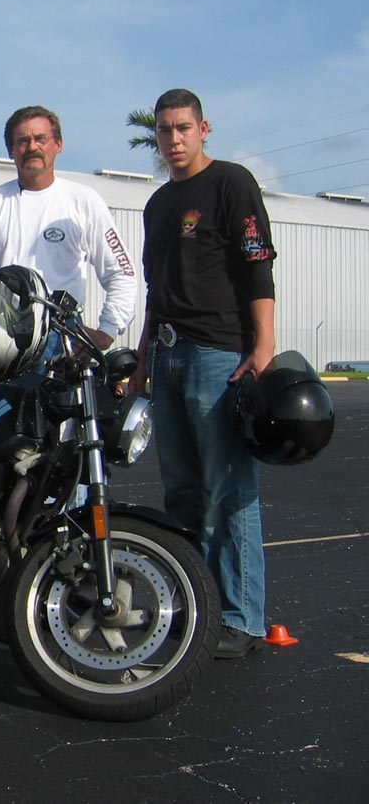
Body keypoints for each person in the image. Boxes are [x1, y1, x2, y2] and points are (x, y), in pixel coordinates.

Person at [129, 88, 276, 659]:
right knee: (183, 492)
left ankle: (241, 617)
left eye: (183, 127)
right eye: (165, 129)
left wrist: (263, 345)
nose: (173, 138)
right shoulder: (158, 204)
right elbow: (155, 288)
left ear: (203, 128)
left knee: (228, 488)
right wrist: (143, 360)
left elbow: (256, 263)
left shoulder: (231, 183)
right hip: (167, 356)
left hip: (218, 355)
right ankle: (197, 607)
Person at [0, 106, 136, 351]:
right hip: (2, 338)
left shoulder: (84, 201)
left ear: (58, 144)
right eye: (22, 141)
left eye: (40, 138)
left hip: (64, 339)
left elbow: (122, 272)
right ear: (10, 151)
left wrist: (108, 331)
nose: (32, 147)